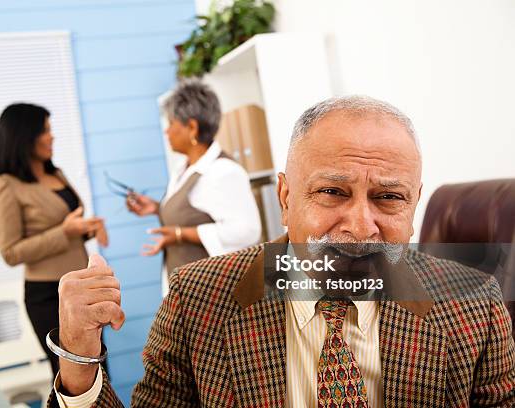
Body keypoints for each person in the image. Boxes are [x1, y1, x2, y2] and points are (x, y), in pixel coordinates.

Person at [48, 96, 515, 407]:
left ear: (414, 204)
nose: (360, 225)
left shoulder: (474, 305)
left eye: (389, 198)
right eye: (333, 192)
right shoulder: (197, 299)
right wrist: (78, 360)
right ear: (286, 199)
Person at [0, 103, 108, 379]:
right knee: (71, 377)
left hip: (82, 287)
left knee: (99, 371)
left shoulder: (57, 174)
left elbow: (67, 227)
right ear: (23, 136)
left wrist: (88, 228)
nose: (52, 137)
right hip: (47, 295)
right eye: (45, 130)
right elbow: (10, 252)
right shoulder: (5, 187)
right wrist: (65, 232)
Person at [126, 79, 261, 275]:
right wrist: (157, 208)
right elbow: (194, 212)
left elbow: (248, 231)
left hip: (211, 290)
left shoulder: (223, 171)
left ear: (192, 127)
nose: (167, 131)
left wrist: (182, 235)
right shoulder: (184, 169)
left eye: (171, 123)